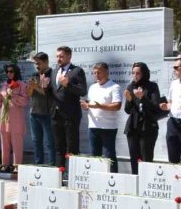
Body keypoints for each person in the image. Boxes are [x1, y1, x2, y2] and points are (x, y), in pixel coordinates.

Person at [52, 46, 87, 175]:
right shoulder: (54, 72)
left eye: (61, 56)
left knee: (72, 147)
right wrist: (44, 88)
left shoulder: (77, 71)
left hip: (71, 115)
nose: (58, 59)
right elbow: (54, 93)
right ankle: (58, 176)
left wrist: (68, 85)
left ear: (69, 56)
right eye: (57, 56)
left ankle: (73, 176)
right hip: (56, 115)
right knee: (59, 148)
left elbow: (83, 91)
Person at [81, 62, 122, 173]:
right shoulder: (93, 87)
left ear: (107, 73)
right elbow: (90, 105)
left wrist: (100, 106)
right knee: (95, 155)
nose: (97, 75)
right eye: (95, 73)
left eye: (99, 73)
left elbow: (117, 106)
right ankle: (97, 178)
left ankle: (113, 179)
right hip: (93, 126)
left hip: (108, 127)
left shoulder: (114, 87)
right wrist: (86, 106)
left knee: (110, 156)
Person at [123, 62, 162, 174]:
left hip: (147, 127)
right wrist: (130, 100)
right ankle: (135, 183)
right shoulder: (130, 86)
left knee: (146, 158)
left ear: (144, 74)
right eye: (133, 73)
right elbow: (127, 110)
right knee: (134, 158)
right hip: (133, 127)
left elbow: (155, 107)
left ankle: (146, 184)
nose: (135, 75)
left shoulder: (152, 86)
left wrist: (142, 98)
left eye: (138, 73)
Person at [0, 64, 28, 172]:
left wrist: (13, 94)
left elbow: (24, 101)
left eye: (11, 71)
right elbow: (0, 102)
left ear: (16, 72)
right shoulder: (4, 84)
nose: (9, 73)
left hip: (16, 118)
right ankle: (5, 164)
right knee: (4, 142)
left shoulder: (22, 85)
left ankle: (17, 166)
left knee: (17, 143)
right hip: (4, 117)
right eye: (7, 71)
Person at [27, 52, 56, 165]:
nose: (37, 66)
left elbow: (48, 93)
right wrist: (30, 88)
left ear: (46, 62)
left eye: (39, 63)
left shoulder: (52, 74)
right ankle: (39, 165)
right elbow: (30, 94)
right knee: (36, 142)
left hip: (47, 113)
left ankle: (52, 166)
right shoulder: (35, 75)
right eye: (35, 64)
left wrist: (36, 87)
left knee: (50, 142)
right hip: (34, 113)